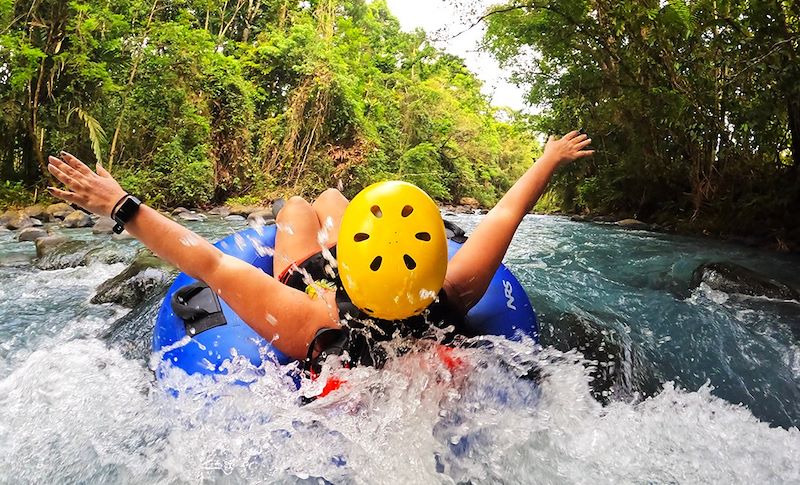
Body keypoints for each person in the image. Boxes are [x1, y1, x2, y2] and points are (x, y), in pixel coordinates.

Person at [47, 131, 593, 370]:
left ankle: (329, 214)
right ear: (436, 260)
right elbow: (505, 216)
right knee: (335, 197)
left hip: (308, 275)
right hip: (361, 281)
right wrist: (548, 158)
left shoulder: (309, 321)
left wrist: (121, 206)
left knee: (297, 210)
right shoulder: (454, 290)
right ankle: (341, 208)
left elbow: (209, 264)